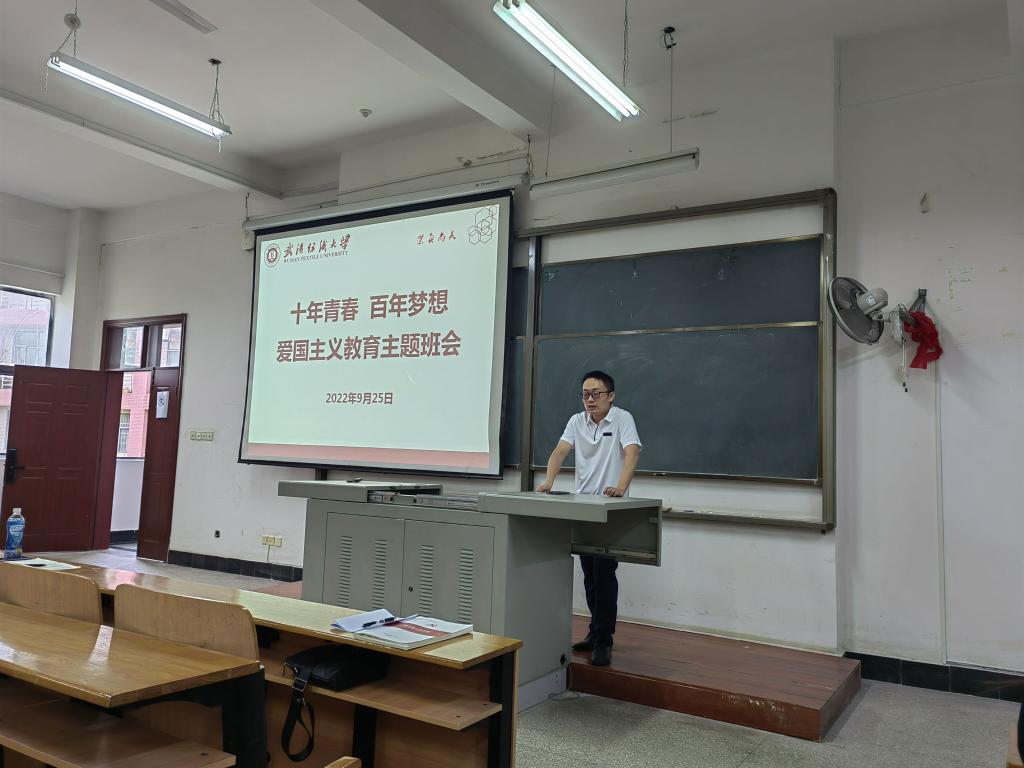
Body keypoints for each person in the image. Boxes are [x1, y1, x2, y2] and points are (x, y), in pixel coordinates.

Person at [537, 370, 641, 666]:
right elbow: (559, 452)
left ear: (611, 395)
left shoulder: (622, 419)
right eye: (585, 395)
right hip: (582, 508)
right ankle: (595, 633)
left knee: (604, 574)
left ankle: (604, 640)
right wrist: (549, 481)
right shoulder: (576, 421)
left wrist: (620, 487)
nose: (590, 400)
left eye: (596, 394)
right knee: (590, 575)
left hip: (610, 509)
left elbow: (632, 453)